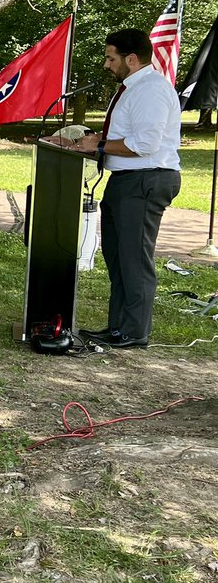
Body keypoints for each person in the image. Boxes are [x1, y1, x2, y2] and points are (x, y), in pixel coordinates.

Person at [70, 29, 182, 349]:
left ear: (131, 59)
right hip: (126, 181)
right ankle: (118, 327)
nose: (107, 64)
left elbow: (145, 144)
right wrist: (91, 145)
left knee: (134, 259)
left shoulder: (151, 90)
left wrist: (101, 144)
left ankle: (134, 332)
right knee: (118, 258)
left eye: (111, 58)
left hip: (145, 180)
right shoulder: (132, 89)